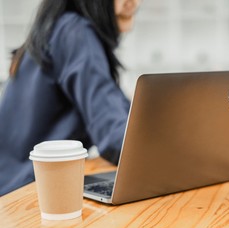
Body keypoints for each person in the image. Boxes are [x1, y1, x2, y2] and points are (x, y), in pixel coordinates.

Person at [0, 0, 140, 196]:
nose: (134, 2)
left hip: (18, 189)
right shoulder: (74, 31)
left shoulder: (58, 28)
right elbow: (114, 133)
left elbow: (119, 111)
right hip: (24, 195)